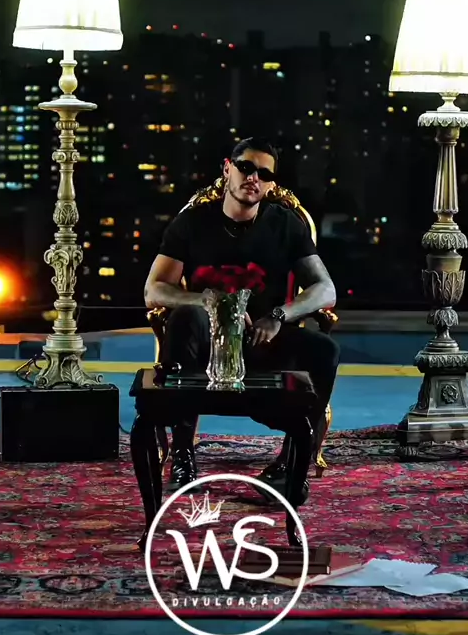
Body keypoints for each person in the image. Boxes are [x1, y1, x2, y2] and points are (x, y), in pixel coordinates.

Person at [144, 137, 340, 490]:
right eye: (246, 168)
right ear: (227, 168)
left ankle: (291, 463)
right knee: (186, 318)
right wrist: (206, 302)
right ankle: (183, 454)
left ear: (271, 184)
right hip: (206, 344)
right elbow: (153, 290)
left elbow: (326, 289)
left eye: (264, 174)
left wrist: (278, 315)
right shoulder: (192, 222)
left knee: (325, 350)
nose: (254, 178)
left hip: (263, 341)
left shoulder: (285, 224)